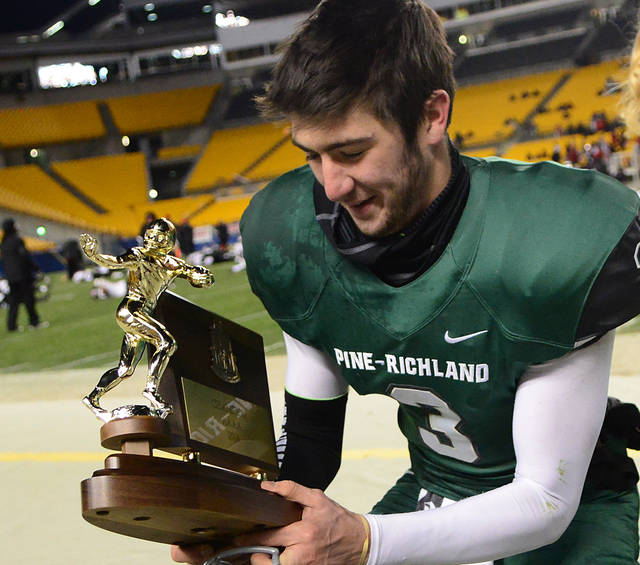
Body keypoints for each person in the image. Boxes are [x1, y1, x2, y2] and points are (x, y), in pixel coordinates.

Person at [173, 2, 640, 564]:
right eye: (312, 156)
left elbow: (545, 500)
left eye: (351, 152)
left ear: (431, 116)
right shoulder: (294, 238)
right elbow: (311, 449)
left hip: (576, 507)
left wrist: (365, 540)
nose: (332, 186)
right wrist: (238, 520)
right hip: (435, 487)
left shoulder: (547, 240)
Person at [80, 218, 214, 422]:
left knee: (125, 369)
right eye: (150, 236)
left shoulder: (172, 263)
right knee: (166, 343)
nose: (152, 240)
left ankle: (92, 399)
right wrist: (94, 255)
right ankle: (151, 389)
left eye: (158, 237)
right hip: (131, 310)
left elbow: (192, 273)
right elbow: (114, 262)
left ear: (168, 241)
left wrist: (204, 276)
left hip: (140, 315)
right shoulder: (139, 255)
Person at [0, 218, 42, 331]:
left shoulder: (3, 243)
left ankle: (11, 325)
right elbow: (25, 257)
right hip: (22, 275)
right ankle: (34, 322)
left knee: (13, 302)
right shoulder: (17, 240)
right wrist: (36, 268)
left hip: (11, 277)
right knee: (29, 299)